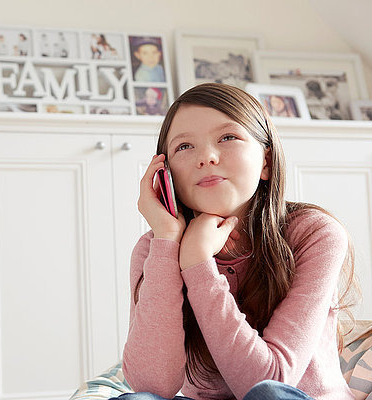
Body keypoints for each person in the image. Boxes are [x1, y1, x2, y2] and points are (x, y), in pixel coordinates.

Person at [111, 83, 359, 400]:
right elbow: (153, 384)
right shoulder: (155, 248)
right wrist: (167, 244)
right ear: (166, 175)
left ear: (266, 162)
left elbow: (269, 381)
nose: (207, 157)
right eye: (184, 147)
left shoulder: (314, 233)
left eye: (227, 138)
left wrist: (198, 263)